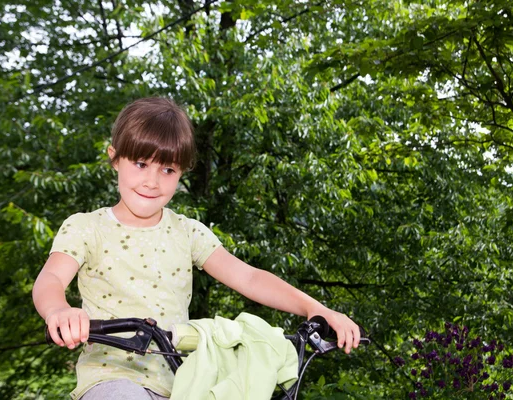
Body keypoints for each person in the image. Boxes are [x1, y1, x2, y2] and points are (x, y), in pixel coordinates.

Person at [32, 97, 361, 400]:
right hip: (112, 379)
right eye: (141, 164)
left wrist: (316, 309)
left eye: (167, 169)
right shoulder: (87, 228)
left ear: (182, 173)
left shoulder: (187, 232)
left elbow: (249, 278)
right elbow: (50, 281)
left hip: (183, 383)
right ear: (115, 159)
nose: (152, 181)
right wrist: (59, 311)